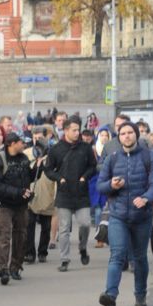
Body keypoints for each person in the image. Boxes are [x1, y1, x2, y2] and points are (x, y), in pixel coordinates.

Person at [97, 118, 153, 306]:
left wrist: (146, 198)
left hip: (142, 216)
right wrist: (112, 185)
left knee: (140, 257)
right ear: (119, 137)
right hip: (118, 215)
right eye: (123, 133)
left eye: (130, 133)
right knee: (117, 255)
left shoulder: (149, 156)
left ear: (136, 135)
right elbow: (100, 185)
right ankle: (110, 295)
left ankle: (140, 294)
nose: (127, 136)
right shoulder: (112, 158)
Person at [44, 115, 97, 270]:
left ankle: (82, 248)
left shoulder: (85, 148)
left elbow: (93, 167)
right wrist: (59, 178)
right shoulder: (56, 149)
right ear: (66, 130)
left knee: (86, 224)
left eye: (78, 130)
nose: (77, 133)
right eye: (74, 130)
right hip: (64, 193)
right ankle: (64, 259)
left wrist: (84, 177)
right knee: (64, 228)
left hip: (81, 194)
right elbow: (48, 170)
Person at [0, 130, 34, 284]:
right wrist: (18, 192)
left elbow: (30, 177)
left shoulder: (24, 158)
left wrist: (37, 169)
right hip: (4, 204)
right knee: (4, 236)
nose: (24, 144)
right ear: (12, 144)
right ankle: (3, 269)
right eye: (22, 142)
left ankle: (16, 267)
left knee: (21, 235)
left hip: (21, 205)